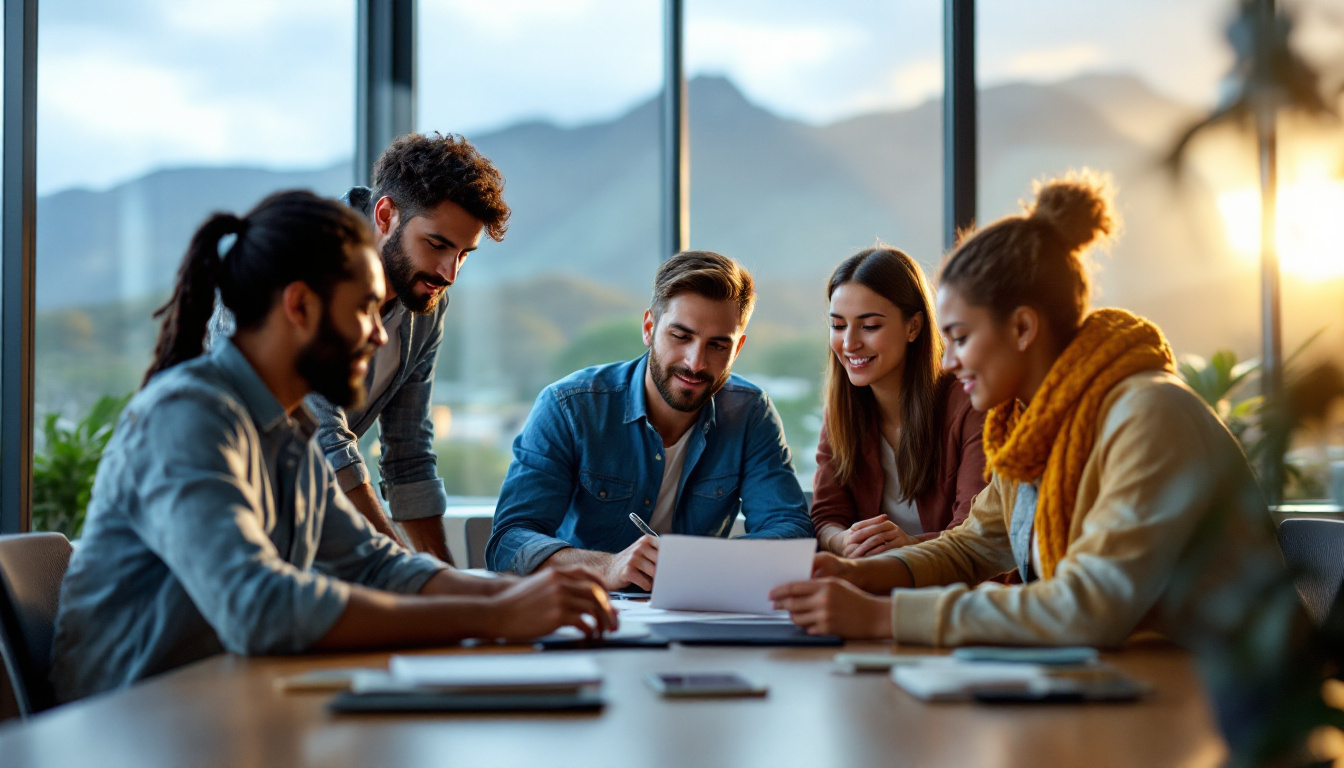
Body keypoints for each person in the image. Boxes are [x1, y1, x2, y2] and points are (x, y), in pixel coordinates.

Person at [51, 191, 614, 703]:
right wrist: (492, 616)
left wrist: (511, 597)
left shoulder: (286, 432)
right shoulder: (188, 416)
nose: (380, 334)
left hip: (223, 713)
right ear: (300, 307)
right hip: (129, 731)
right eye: (365, 309)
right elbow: (259, 607)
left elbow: (374, 565)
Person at [770, 171, 1281, 646]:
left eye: (961, 338)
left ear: (1021, 328)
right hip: (1130, 683)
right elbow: (972, 546)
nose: (947, 364)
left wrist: (881, 617)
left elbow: (1090, 605)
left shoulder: (1146, 414)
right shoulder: (1033, 428)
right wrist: (855, 575)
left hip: (1228, 705)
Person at [213, 132, 510, 563]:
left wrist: (448, 582)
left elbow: (408, 452)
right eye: (437, 245)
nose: (449, 273)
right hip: (227, 530)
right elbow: (321, 440)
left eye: (465, 254)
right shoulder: (295, 263)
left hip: (298, 538)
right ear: (386, 214)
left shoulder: (425, 297)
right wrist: (420, 582)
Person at [485, 251, 813, 589]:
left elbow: (791, 531)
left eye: (717, 346)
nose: (695, 363)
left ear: (737, 349)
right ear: (649, 328)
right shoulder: (569, 406)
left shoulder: (751, 413)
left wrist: (694, 566)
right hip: (590, 611)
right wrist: (607, 567)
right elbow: (509, 541)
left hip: (700, 613)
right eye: (681, 336)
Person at [812, 246, 987, 558]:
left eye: (869, 326)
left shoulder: (971, 402)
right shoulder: (843, 409)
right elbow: (827, 516)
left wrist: (907, 549)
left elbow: (978, 536)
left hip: (961, 595)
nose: (849, 343)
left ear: (913, 327)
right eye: (838, 325)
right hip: (877, 588)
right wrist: (844, 540)